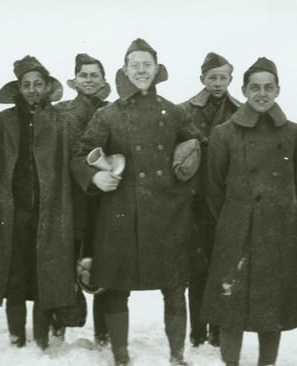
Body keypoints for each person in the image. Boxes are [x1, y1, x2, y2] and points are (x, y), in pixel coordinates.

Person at [71, 38, 205, 366]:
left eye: (147, 65)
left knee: (175, 287)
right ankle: (121, 358)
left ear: (157, 70)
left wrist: (187, 178)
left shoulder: (174, 112)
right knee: (116, 288)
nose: (142, 71)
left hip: (168, 214)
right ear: (125, 71)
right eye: (135, 65)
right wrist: (94, 177)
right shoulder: (109, 114)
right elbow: (81, 152)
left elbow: (200, 148)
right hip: (119, 215)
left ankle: (177, 357)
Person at [202, 57, 297, 366]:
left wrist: (291, 212)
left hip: (278, 231)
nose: (261, 94)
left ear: (278, 90)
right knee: (231, 307)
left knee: (272, 307)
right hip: (236, 229)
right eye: (255, 87)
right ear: (244, 90)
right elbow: (213, 187)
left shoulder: (293, 132)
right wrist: (234, 216)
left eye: (268, 87)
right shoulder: (224, 133)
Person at [0, 55, 77, 350]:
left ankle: (41, 340)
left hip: (50, 214)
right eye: (26, 84)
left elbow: (71, 167)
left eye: (37, 84)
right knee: (13, 277)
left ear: (47, 87)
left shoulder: (61, 121)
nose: (32, 90)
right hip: (11, 214)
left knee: (46, 277)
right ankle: (16, 339)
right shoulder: (3, 122)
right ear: (19, 89)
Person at [179, 52, 241, 348]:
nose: (217, 83)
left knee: (224, 267)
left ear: (231, 79)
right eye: (212, 77)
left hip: (228, 201)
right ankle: (197, 330)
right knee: (197, 268)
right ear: (202, 78)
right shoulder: (184, 110)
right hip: (194, 202)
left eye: (223, 77)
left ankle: (218, 329)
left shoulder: (241, 112)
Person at [55, 53, 111, 346]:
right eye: (84, 75)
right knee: (65, 263)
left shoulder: (114, 111)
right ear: (75, 80)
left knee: (102, 265)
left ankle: (103, 335)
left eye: (95, 75)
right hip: (68, 201)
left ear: (104, 81)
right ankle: (59, 330)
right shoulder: (60, 113)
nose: (89, 80)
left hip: (105, 202)